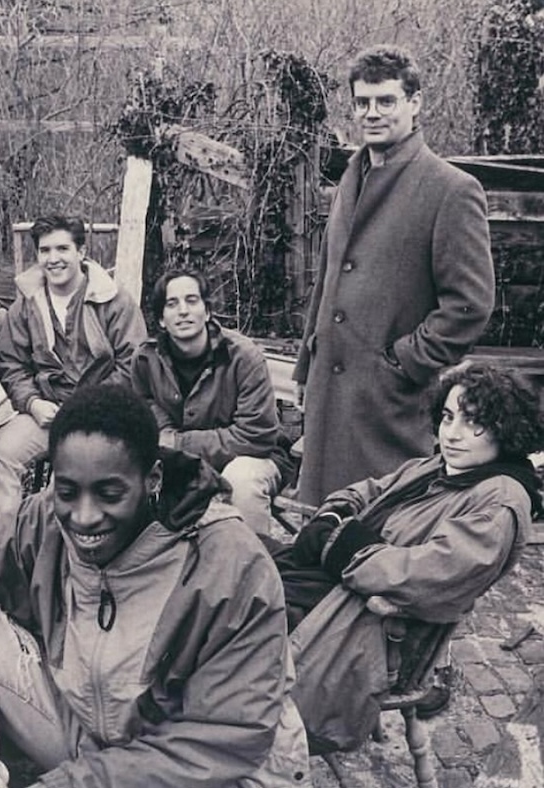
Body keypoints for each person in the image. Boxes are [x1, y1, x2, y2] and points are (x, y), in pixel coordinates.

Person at [0, 384, 310, 788]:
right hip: (93, 735)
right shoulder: (42, 517)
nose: (83, 516)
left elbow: (226, 737)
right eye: (68, 490)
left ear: (152, 479)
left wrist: (75, 782)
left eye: (109, 493)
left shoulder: (230, 563)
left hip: (205, 770)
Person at [266, 363, 544, 753]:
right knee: (237, 554)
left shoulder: (499, 501)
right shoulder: (438, 466)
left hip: (374, 624)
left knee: (241, 606)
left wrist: (342, 545)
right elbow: (368, 490)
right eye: (448, 417)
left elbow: (425, 576)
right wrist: (332, 515)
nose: (453, 434)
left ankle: (221, 710)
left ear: (505, 428)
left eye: (474, 422)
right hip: (345, 587)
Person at [292, 44, 496, 506]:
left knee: (384, 536)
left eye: (386, 101)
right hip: (330, 403)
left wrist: (400, 364)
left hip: (390, 412)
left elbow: (469, 305)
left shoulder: (451, 189)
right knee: (323, 535)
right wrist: (308, 366)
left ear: (415, 102)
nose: (372, 113)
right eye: (363, 102)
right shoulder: (351, 175)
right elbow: (328, 279)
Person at [0, 215, 147, 521]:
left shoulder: (114, 301)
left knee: (87, 470)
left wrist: (87, 406)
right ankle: (0, 547)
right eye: (45, 251)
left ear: (81, 252)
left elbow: (134, 365)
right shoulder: (26, 304)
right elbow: (10, 363)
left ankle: (81, 543)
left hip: (103, 414)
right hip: (47, 412)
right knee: (4, 452)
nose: (54, 259)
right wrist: (33, 403)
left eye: (62, 249)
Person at [132, 268, 292, 534]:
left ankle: (252, 566)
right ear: (161, 319)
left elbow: (257, 436)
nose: (183, 310)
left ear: (207, 312)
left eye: (192, 301)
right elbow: (143, 407)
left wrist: (178, 443)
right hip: (179, 458)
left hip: (254, 457)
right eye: (172, 304)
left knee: (241, 480)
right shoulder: (146, 359)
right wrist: (164, 434)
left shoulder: (243, 356)